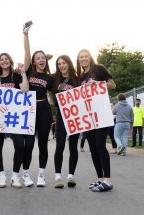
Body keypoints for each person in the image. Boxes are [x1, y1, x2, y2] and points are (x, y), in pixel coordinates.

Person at [77, 49, 116, 192]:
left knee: (100, 145)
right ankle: (100, 178)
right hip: (88, 116)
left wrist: (99, 83)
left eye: (86, 56)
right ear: (79, 60)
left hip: (101, 113)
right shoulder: (81, 76)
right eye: (81, 57)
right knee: (92, 147)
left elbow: (113, 84)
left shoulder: (98, 69)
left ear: (90, 57)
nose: (83, 59)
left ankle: (107, 180)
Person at [0, 53, 30, 188]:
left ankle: (15, 176)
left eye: (6, 59)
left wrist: (23, 73)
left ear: (10, 61)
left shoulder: (16, 76)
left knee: (20, 146)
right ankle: (2, 176)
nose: (4, 61)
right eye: (1, 59)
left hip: (15, 118)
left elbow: (25, 89)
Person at [23, 21, 55, 187]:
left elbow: (54, 94)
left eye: (43, 58)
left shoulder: (50, 78)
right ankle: (26, 174)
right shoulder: (29, 71)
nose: (41, 60)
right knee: (28, 144)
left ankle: (41, 175)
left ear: (46, 60)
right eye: (38, 58)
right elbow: (27, 52)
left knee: (43, 144)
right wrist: (26, 34)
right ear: (34, 62)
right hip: (29, 110)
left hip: (44, 110)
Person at [52, 55, 80, 188]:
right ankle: (58, 177)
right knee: (60, 145)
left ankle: (71, 176)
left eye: (64, 63)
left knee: (73, 146)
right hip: (61, 116)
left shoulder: (77, 78)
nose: (62, 66)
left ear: (69, 63)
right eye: (59, 64)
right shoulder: (54, 78)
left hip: (75, 116)